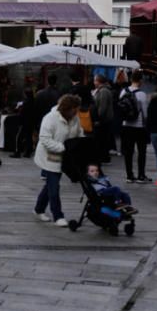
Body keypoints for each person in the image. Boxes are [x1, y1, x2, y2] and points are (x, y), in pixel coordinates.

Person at [34, 94, 84, 227]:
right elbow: (44, 139)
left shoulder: (75, 118)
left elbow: (79, 132)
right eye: (75, 109)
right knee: (54, 186)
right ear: (68, 108)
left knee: (50, 184)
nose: (77, 112)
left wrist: (80, 143)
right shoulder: (50, 118)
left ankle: (38, 209)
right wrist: (63, 147)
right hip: (49, 156)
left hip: (65, 156)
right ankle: (58, 215)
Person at [118, 70, 150, 183]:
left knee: (128, 151)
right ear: (140, 80)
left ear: (131, 79)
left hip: (126, 125)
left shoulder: (123, 92)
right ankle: (141, 175)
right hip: (139, 125)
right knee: (141, 151)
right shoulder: (142, 94)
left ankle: (129, 175)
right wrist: (146, 125)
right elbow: (145, 113)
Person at [91, 74, 114, 163]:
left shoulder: (103, 91)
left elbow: (102, 107)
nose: (94, 82)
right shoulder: (102, 90)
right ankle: (104, 156)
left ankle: (103, 157)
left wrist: (98, 118)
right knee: (103, 139)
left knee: (102, 139)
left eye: (95, 80)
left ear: (98, 81)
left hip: (103, 120)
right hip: (104, 120)